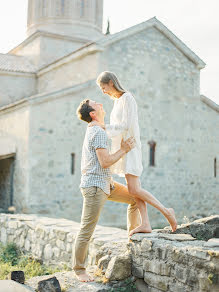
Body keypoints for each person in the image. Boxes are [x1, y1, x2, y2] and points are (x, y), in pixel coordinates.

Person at [94, 71, 177, 235]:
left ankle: (166, 211)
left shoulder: (127, 98)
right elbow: (117, 128)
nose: (103, 91)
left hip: (130, 148)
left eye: (103, 87)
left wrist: (104, 127)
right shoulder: (117, 101)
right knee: (135, 188)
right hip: (123, 148)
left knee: (134, 189)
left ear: (111, 82)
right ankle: (145, 224)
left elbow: (126, 125)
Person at [73, 99, 142, 282]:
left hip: (106, 184)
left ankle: (132, 241)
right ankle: (79, 269)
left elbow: (119, 126)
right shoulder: (97, 132)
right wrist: (125, 149)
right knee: (87, 229)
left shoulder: (99, 129)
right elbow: (105, 161)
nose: (100, 103)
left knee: (135, 198)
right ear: (93, 114)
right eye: (95, 103)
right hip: (95, 187)